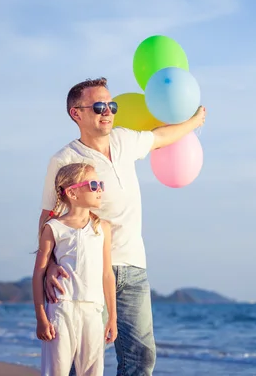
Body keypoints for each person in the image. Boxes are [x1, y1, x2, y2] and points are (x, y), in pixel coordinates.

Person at [38, 77, 206, 375]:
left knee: (142, 355)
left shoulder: (125, 139)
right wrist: (50, 263)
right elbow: (48, 217)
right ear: (76, 113)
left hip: (133, 266)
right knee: (85, 358)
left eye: (111, 105)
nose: (108, 112)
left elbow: (162, 137)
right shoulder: (64, 159)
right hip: (85, 269)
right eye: (99, 106)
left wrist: (194, 121)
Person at [33, 162, 118, 376]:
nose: (100, 189)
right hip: (61, 309)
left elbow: (107, 274)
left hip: (93, 310)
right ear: (72, 192)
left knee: (92, 371)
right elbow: (38, 274)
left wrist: (112, 317)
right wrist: (41, 318)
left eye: (100, 184)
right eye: (93, 184)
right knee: (56, 371)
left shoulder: (102, 228)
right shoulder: (54, 227)